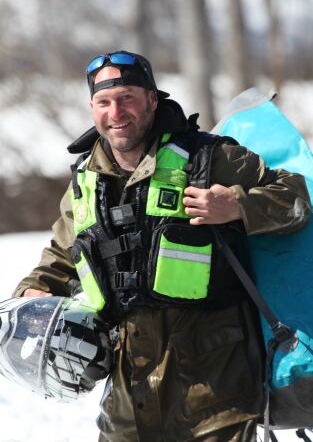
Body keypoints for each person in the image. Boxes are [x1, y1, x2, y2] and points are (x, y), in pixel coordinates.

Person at [13, 50, 311, 442]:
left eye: (127, 98)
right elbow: (59, 259)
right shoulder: (86, 183)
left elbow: (296, 199)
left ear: (152, 100)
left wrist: (237, 205)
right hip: (127, 401)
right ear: (92, 109)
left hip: (216, 398)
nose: (116, 112)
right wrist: (31, 294)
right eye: (104, 102)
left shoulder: (210, 158)